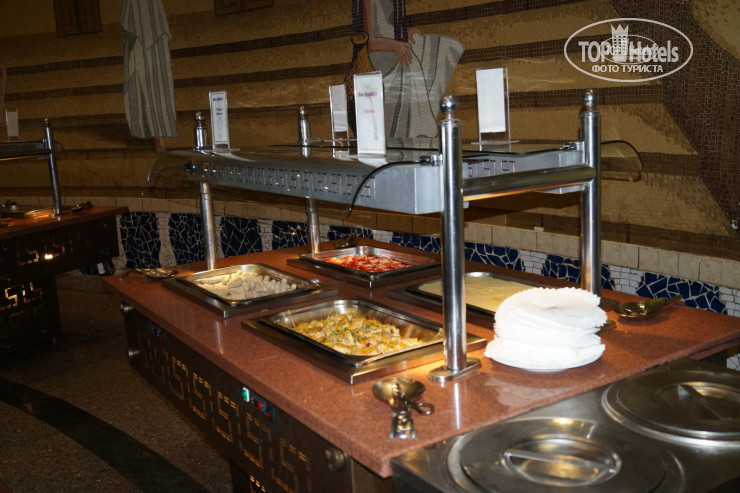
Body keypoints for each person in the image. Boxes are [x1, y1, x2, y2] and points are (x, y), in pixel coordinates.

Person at [350, 0, 463, 139]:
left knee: (445, 47)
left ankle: (423, 126)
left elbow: (387, 29)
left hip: (392, 48)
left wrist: (404, 34)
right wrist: (396, 46)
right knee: (412, 64)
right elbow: (371, 43)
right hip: (377, 58)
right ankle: (421, 131)